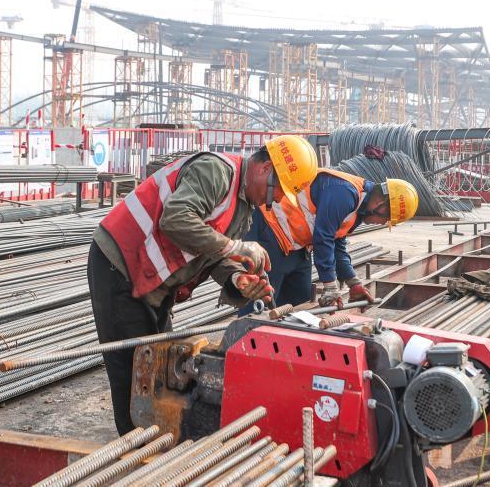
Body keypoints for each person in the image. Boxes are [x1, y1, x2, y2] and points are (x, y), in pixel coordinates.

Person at [88, 135, 318, 435]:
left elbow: (213, 252)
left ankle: (153, 439)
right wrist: (236, 246)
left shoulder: (244, 206)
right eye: (276, 191)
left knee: (159, 360)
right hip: (120, 262)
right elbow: (176, 218)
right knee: (134, 368)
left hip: (154, 277)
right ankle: (136, 451)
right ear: (264, 168)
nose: (273, 201)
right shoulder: (216, 172)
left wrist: (238, 278)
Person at [241, 171, 418, 314]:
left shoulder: (359, 208)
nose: (381, 223)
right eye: (386, 218)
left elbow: (337, 242)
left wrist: (353, 283)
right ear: (380, 203)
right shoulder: (345, 193)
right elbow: (323, 237)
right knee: (262, 300)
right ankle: (242, 342)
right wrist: (330, 285)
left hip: (295, 243)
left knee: (299, 299)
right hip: (269, 228)